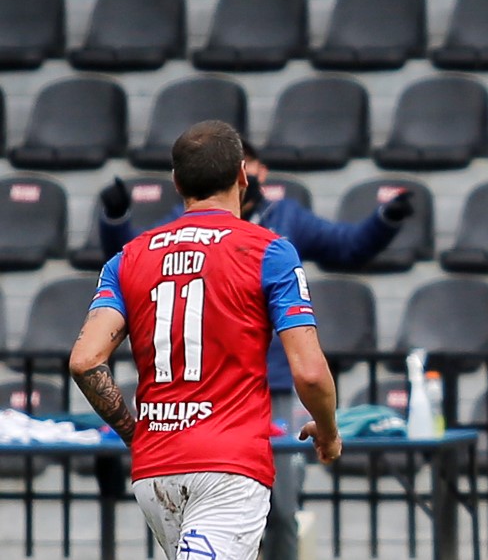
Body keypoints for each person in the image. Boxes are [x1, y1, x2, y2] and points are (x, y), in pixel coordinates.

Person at [96, 140, 412, 560]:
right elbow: (136, 265)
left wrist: (384, 221)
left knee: (282, 508)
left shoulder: (285, 219)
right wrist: (115, 219)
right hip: (207, 398)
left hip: (268, 386)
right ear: (242, 173)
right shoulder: (209, 232)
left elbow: (347, 245)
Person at [69, 121, 342, 560]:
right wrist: (328, 433)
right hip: (228, 466)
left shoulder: (128, 257)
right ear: (242, 175)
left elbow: (85, 361)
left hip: (155, 470)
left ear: (177, 182)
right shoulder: (269, 250)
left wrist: (135, 435)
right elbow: (309, 372)